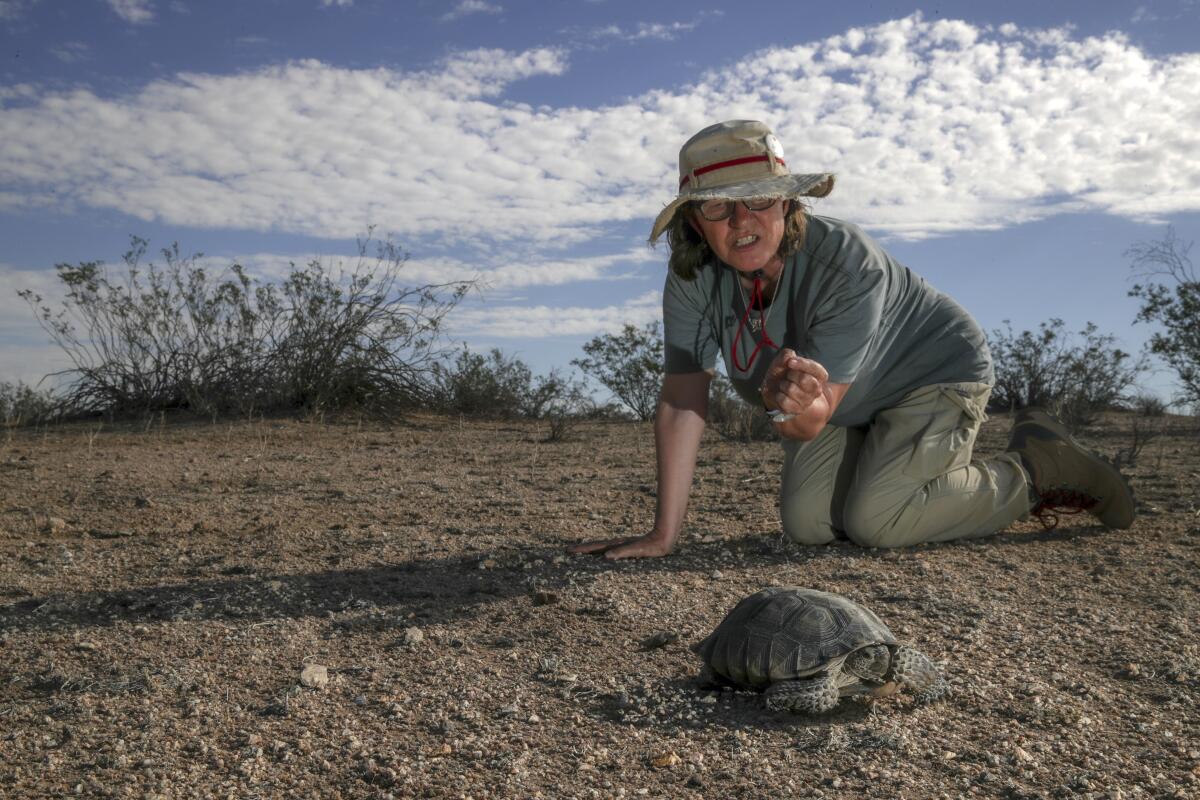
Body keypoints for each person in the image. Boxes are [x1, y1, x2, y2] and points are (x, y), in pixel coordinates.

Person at [571, 119, 1134, 560]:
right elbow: (681, 399)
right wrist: (663, 534)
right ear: (695, 221)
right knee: (809, 527)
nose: (742, 220)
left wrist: (785, 400)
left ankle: (1037, 469)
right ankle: (889, 465)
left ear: (788, 202)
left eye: (759, 198)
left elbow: (808, 419)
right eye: (718, 205)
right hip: (851, 405)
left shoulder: (846, 262)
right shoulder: (693, 276)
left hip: (930, 373)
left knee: (876, 522)